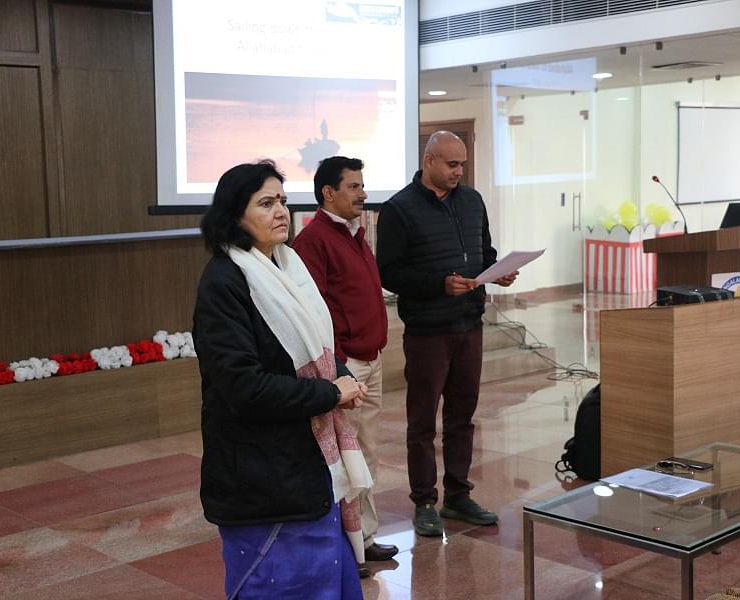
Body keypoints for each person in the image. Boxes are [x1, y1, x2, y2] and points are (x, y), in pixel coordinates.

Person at [194, 159, 372, 598]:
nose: (280, 212)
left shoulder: (289, 266)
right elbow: (244, 388)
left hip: (307, 466)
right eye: (265, 203)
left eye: (283, 201)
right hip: (261, 476)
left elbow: (315, 346)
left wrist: (343, 380)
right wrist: (329, 393)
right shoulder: (224, 281)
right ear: (235, 214)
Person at [376, 131, 517, 537]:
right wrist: (439, 285)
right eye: (452, 164)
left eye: (463, 165)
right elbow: (389, 273)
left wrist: (497, 271)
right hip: (428, 331)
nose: (459, 172)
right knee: (422, 421)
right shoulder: (399, 209)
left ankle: (458, 495)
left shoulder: (471, 201)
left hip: (469, 324)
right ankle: (424, 501)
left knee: (462, 417)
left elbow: (484, 252)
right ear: (429, 161)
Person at [292, 156, 398, 575]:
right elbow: (313, 312)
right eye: (354, 186)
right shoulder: (313, 241)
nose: (363, 194)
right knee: (343, 462)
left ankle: (364, 538)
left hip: (371, 358)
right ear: (328, 193)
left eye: (362, 185)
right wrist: (338, 368)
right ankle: (344, 548)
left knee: (366, 454)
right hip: (345, 365)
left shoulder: (356, 232)